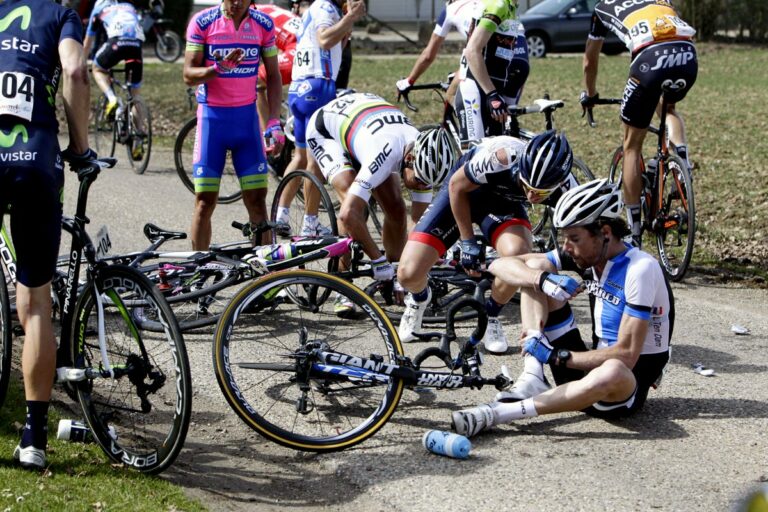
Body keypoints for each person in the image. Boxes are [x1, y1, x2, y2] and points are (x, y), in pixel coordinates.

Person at [451, 179, 673, 437]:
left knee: (613, 369)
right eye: (565, 237)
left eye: (574, 238)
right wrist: (542, 280)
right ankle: (533, 374)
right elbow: (501, 264)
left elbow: (626, 355)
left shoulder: (640, 268)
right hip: (583, 369)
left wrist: (556, 356)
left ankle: (495, 414)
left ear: (605, 232)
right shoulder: (589, 254)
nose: (566, 247)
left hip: (620, 388)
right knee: (537, 269)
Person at [0, 0, 93, 470]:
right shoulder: (59, 15)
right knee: (36, 304)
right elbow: (75, 71)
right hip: (36, 159)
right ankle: (34, 439)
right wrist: (81, 147)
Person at [397, 130, 575, 353]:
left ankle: (489, 315)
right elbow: (456, 187)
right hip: (462, 191)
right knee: (407, 273)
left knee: (518, 254)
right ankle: (419, 299)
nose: (531, 197)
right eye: (527, 186)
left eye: (540, 193)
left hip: (502, 204)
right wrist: (467, 241)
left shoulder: (568, 186)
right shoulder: (502, 158)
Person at [306, 92, 456, 314]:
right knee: (351, 200)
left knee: (396, 209)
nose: (422, 187)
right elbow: (347, 215)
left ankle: (393, 277)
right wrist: (377, 259)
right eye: (419, 180)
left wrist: (409, 267)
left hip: (366, 124)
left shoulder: (424, 158)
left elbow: (419, 222)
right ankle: (341, 284)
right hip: (326, 130)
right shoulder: (386, 152)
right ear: (409, 159)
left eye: (429, 184)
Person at [580, 0, 697, 246]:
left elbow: (590, 60)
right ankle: (682, 162)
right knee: (668, 108)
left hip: (649, 59)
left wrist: (590, 94)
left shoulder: (602, 7)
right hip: (686, 54)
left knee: (632, 146)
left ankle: (634, 232)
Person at [184, 0, 284, 249]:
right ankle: (198, 266)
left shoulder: (263, 24)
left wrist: (274, 120)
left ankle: (263, 271)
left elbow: (274, 76)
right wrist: (218, 69)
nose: (237, 3)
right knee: (204, 202)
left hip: (246, 122)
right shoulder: (203, 22)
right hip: (212, 121)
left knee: (257, 201)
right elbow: (188, 74)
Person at [274, 0, 366, 238]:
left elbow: (331, 45)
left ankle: (281, 215)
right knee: (316, 161)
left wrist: (345, 28)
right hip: (318, 86)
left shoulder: (317, 8)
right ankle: (310, 224)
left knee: (300, 157)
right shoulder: (325, 7)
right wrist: (350, 18)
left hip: (300, 87)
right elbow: (324, 39)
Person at [83, 0, 148, 160]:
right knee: (135, 95)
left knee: (98, 68)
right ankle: (138, 140)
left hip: (116, 43)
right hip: (136, 47)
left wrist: (81, 63)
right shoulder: (129, 6)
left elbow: (88, 43)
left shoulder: (99, 7)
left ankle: (112, 99)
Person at [457, 0, 529, 144]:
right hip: (476, 91)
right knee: (475, 154)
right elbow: (472, 51)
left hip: (493, 91)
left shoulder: (511, 7)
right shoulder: (498, 5)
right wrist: (492, 94)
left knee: (499, 154)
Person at [395, 0, 480, 108]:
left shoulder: (450, 9)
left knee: (451, 95)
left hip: (483, 55)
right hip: (496, 52)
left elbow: (428, 56)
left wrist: (409, 81)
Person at [254, 3, 301, 133]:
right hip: (306, 46)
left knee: (256, 80)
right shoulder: (267, 7)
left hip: (297, 49)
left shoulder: (246, 15)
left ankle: (268, 136)